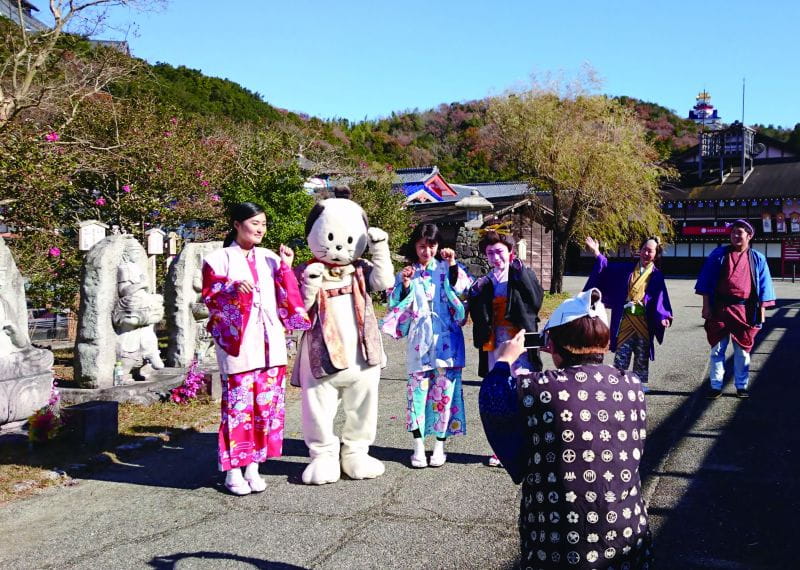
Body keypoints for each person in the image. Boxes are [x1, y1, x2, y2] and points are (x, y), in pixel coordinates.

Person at [479, 289, 653, 569]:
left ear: (553, 345)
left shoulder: (538, 387)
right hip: (626, 531)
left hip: (559, 538)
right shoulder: (632, 385)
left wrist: (503, 360)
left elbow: (493, 400)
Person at [202, 202, 311, 495]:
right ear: (237, 224)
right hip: (240, 345)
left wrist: (286, 268)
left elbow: (289, 297)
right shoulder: (217, 260)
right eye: (255, 223)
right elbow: (210, 298)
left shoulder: (271, 258)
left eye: (263, 223)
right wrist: (231, 289)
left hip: (271, 343)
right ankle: (233, 470)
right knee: (238, 408)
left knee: (267, 408)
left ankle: (254, 466)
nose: (261, 229)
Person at [381, 223, 472, 468]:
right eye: (422, 246)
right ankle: (418, 446)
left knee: (445, 395)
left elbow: (463, 290)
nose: (427, 251)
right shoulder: (408, 272)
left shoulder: (446, 268)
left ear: (438, 246)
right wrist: (407, 284)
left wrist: (452, 265)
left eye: (431, 246)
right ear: (415, 246)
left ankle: (439, 446)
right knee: (417, 396)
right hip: (420, 343)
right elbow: (395, 303)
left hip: (447, 342)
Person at [468, 223, 544, 466]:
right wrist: (476, 292)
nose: (495, 257)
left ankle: (531, 444)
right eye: (490, 253)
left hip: (518, 341)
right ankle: (502, 449)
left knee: (523, 391)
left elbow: (535, 301)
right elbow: (477, 312)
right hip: (496, 343)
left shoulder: (522, 272)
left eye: (499, 252)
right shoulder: (486, 281)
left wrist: (520, 273)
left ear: (511, 252)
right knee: (502, 392)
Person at [695, 219, 776, 399]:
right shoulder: (718, 254)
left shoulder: (757, 259)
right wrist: (706, 306)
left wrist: (761, 312)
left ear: (749, 236)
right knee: (717, 349)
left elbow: (764, 287)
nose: (736, 236)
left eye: (740, 233)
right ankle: (716, 386)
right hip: (720, 308)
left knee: (742, 350)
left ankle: (741, 385)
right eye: (733, 233)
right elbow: (706, 282)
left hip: (744, 309)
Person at [584, 236, 673, 392]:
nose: (646, 253)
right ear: (640, 250)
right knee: (622, 351)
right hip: (625, 319)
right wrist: (597, 252)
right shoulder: (626, 269)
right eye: (644, 249)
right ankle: (618, 381)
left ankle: (639, 383)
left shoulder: (657, 275)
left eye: (650, 251)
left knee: (641, 352)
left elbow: (661, 298)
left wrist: (663, 316)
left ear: (656, 254)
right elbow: (606, 268)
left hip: (644, 321)